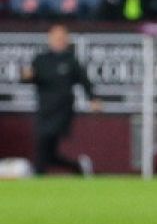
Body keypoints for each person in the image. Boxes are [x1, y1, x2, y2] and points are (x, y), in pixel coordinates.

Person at [21, 24, 100, 176]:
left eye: (62, 37)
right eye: (56, 37)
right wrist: (26, 76)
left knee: (45, 142)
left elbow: (85, 82)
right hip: (44, 109)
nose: (59, 40)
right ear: (49, 39)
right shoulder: (40, 59)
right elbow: (29, 78)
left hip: (63, 110)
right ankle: (77, 167)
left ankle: (38, 174)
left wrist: (93, 99)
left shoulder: (71, 61)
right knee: (49, 152)